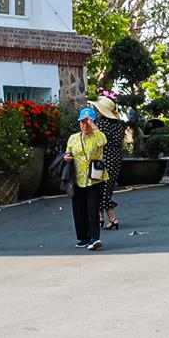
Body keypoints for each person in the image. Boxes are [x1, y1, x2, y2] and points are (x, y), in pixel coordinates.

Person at [64, 107, 111, 250]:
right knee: (78, 209)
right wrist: (66, 157)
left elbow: (102, 142)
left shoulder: (98, 136)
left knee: (92, 208)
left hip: (95, 178)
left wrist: (93, 125)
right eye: (82, 122)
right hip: (77, 178)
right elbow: (67, 152)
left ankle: (94, 238)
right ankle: (83, 237)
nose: (84, 125)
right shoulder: (73, 138)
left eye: (87, 122)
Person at [92, 94, 132, 231]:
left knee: (99, 188)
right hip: (115, 158)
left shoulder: (101, 124)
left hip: (102, 158)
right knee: (107, 188)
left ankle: (111, 217)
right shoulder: (119, 125)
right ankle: (100, 217)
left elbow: (97, 142)